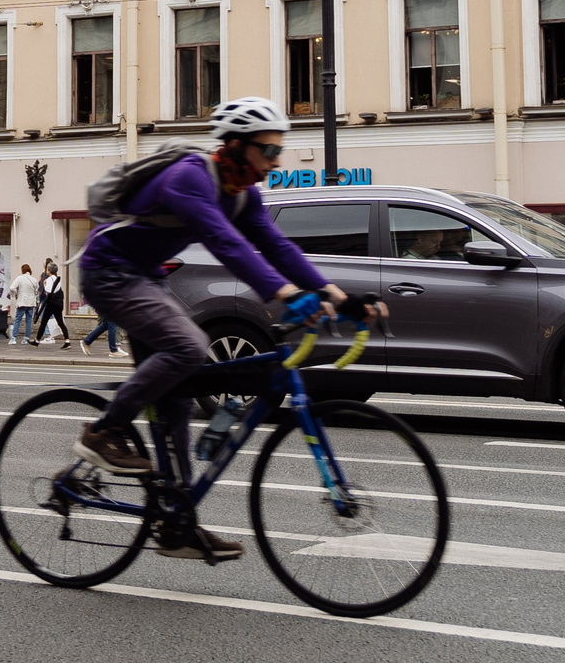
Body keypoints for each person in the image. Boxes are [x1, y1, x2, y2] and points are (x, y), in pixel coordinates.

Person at [72, 97, 375, 564]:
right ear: (235, 146)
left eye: (280, 152)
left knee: (176, 396)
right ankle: (102, 432)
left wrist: (338, 295)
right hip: (108, 273)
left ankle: (177, 525)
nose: (276, 163)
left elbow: (276, 245)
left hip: (148, 278)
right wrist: (285, 294)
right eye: (268, 152)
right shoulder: (189, 177)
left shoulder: (243, 194)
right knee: (191, 346)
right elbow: (226, 244)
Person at [37, 259, 67, 345]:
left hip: (48, 300)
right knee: (58, 321)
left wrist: (44, 285)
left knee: (45, 319)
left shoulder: (47, 276)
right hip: (55, 302)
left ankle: (48, 336)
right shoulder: (56, 278)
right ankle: (66, 340)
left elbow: (48, 290)